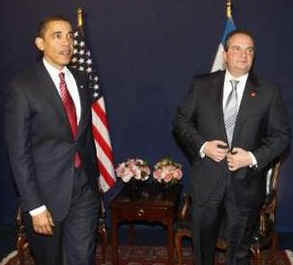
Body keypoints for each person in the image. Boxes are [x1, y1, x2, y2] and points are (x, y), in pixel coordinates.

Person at [173, 30, 290, 265]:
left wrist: (253, 157)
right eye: (236, 48)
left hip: (246, 187)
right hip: (206, 184)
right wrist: (203, 146)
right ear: (225, 54)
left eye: (249, 50)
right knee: (202, 254)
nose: (243, 55)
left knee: (239, 255)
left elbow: (282, 136)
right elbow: (180, 122)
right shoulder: (201, 85)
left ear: (254, 56)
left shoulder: (268, 92)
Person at [5, 16, 100, 265]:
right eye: (57, 35)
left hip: (84, 190)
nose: (67, 42)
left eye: (70, 35)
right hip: (45, 195)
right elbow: (18, 152)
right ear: (40, 43)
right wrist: (34, 206)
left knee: (82, 257)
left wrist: (94, 182)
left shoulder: (81, 79)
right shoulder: (22, 86)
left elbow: (83, 136)